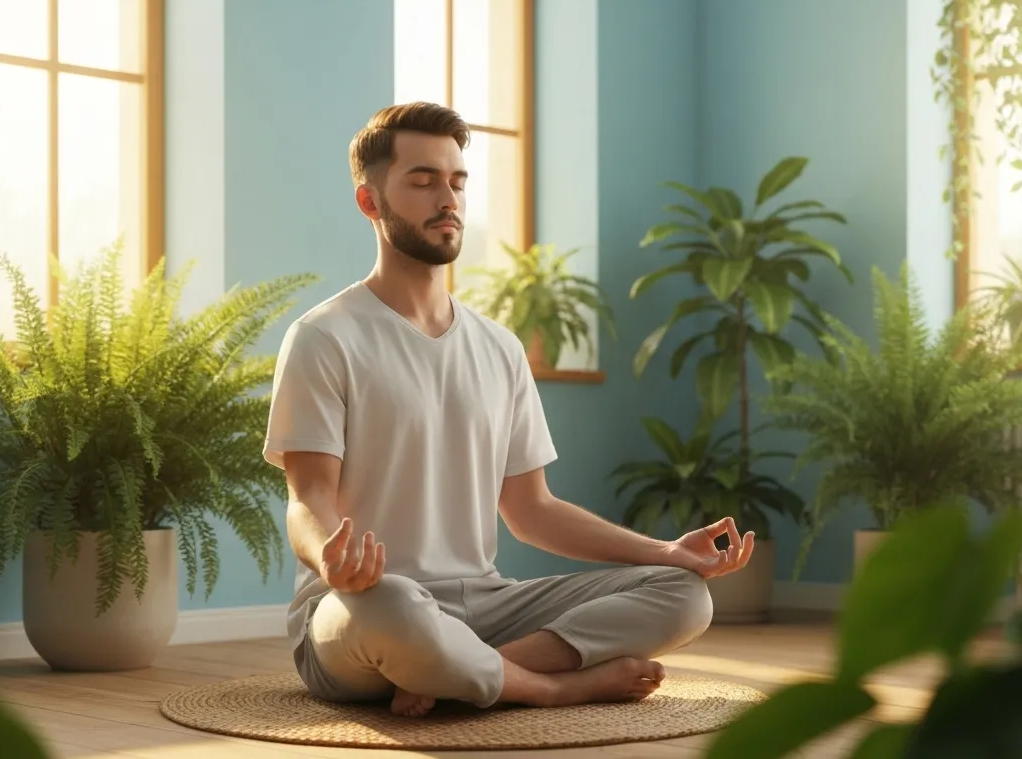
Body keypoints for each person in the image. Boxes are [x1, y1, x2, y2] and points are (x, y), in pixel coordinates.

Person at [262, 102, 756, 718]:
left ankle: (464, 669)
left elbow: (532, 510)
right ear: (370, 202)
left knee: (685, 596)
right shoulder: (323, 337)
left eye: (457, 181)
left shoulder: (499, 347)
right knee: (398, 605)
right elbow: (308, 498)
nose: (447, 198)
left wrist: (666, 551)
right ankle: (551, 687)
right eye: (423, 181)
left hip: (486, 605)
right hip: (362, 608)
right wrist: (330, 557)